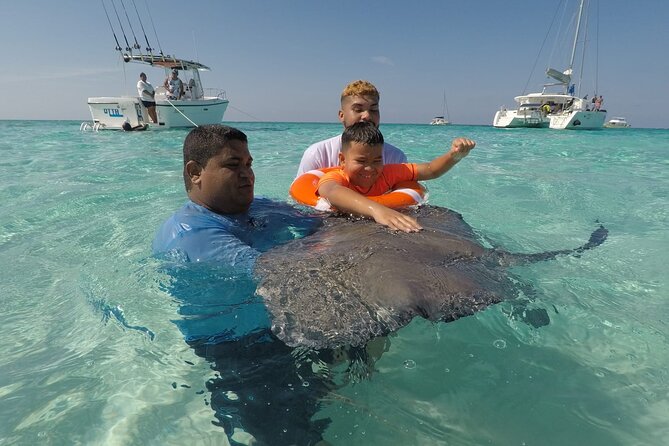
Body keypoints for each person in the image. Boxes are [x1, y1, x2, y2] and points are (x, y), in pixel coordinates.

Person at [153, 124, 333, 445]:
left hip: (283, 327)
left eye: (249, 164)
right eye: (233, 165)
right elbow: (278, 274)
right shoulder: (193, 234)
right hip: (240, 349)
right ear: (195, 173)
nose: (247, 174)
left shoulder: (258, 205)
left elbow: (324, 225)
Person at [316, 121, 475, 233]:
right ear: (343, 160)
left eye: (377, 160)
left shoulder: (388, 173)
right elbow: (331, 191)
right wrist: (377, 211)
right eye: (361, 161)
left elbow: (431, 170)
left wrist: (454, 156)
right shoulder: (336, 177)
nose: (370, 168)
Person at [296, 79, 407, 176]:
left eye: (373, 110)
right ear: (341, 115)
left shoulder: (396, 157)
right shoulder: (318, 154)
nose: (367, 116)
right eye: (358, 110)